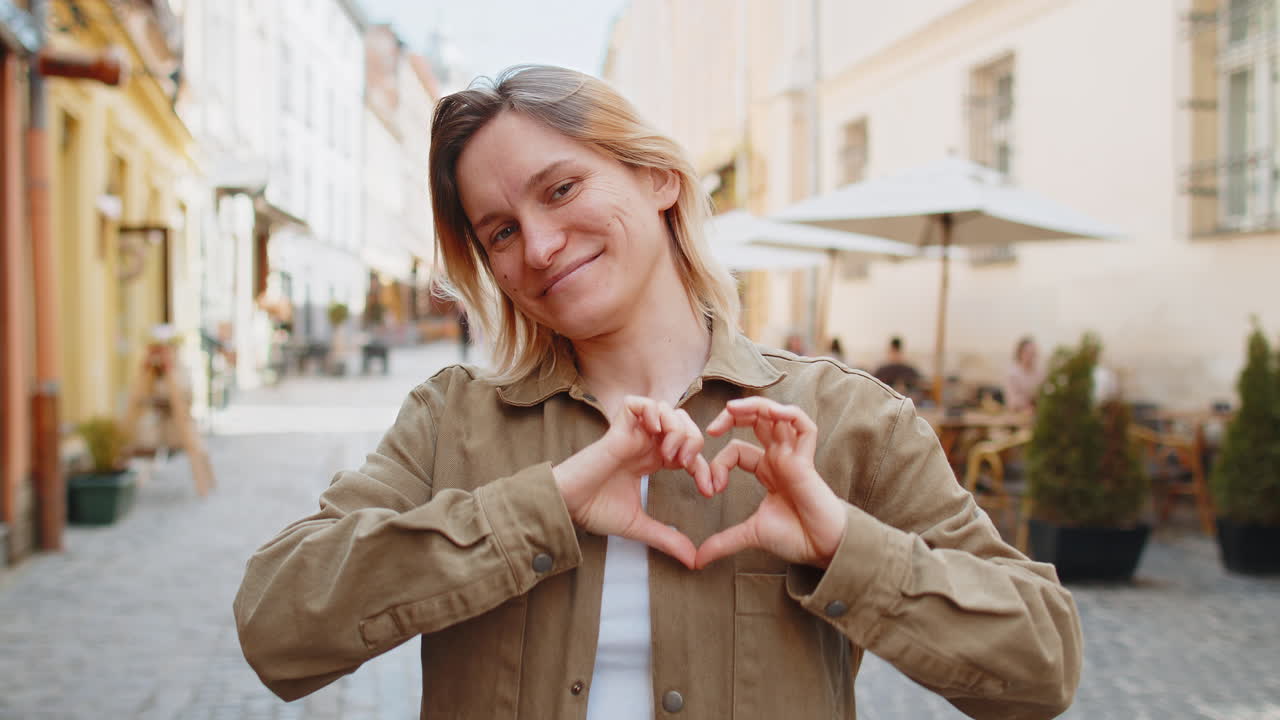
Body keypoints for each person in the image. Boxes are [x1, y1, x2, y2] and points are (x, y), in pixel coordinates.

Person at [233, 65, 1081, 719]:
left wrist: (841, 544)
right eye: (500, 232)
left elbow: (1041, 667)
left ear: (657, 177)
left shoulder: (848, 422)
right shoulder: (453, 421)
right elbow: (277, 622)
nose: (539, 244)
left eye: (561, 189)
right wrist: (544, 504)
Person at [1005, 336, 1045, 412]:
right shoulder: (1012, 373)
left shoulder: (1040, 371)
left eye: (1033, 353)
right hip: (1018, 412)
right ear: (1020, 353)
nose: (1031, 356)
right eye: (1028, 352)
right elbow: (1011, 401)